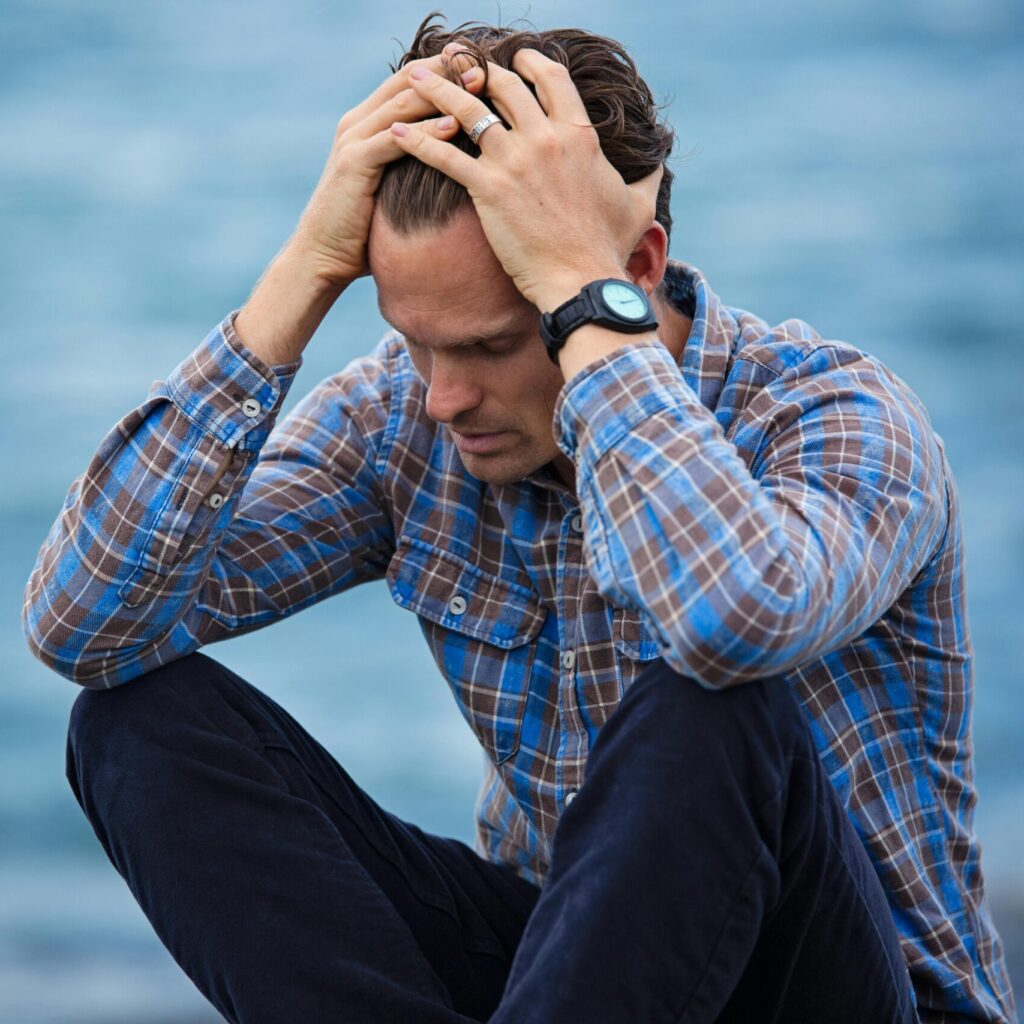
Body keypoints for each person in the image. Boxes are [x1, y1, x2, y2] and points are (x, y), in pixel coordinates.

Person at [21, 12, 1017, 1024]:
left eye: (493, 345)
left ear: (631, 268)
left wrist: (587, 309)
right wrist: (302, 275)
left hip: (845, 993)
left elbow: (730, 619)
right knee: (134, 724)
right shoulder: (403, 420)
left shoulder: (834, 417)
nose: (444, 396)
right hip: (571, 976)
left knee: (712, 699)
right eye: (416, 342)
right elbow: (84, 626)